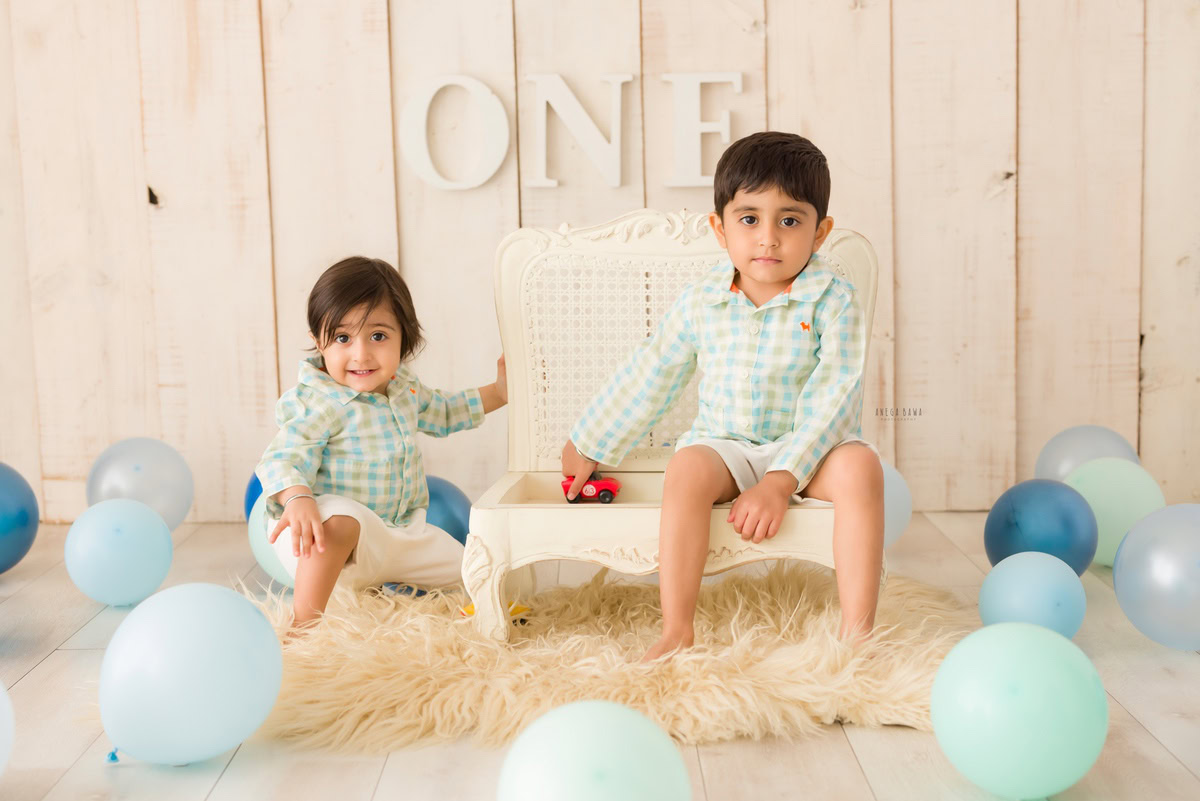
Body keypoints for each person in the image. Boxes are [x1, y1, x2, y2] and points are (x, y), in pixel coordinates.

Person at [561, 132, 884, 661]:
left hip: (810, 448)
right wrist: (590, 440)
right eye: (750, 219)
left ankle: (859, 636)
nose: (768, 239)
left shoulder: (834, 301)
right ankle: (677, 628)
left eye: (790, 220)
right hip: (727, 444)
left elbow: (835, 397)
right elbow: (653, 371)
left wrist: (782, 479)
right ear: (720, 227)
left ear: (820, 232)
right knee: (686, 468)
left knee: (861, 468)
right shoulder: (702, 301)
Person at [256, 256, 506, 634]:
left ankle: (461, 604)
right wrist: (297, 498)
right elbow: (281, 458)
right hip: (322, 543)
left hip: (397, 536)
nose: (361, 354)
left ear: (404, 337)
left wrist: (500, 392)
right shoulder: (318, 402)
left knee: (477, 568)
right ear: (317, 341)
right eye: (342, 338)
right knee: (341, 518)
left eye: (378, 336)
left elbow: (446, 411)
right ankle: (303, 627)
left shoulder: (403, 389)